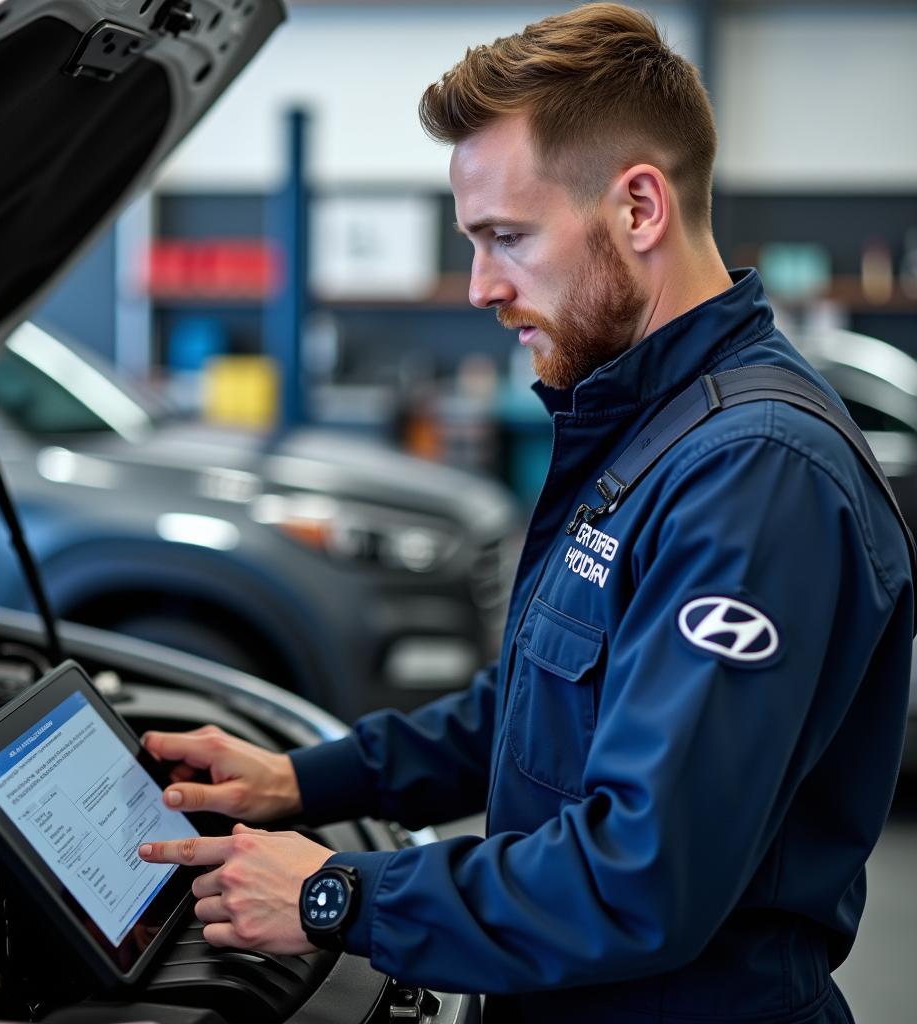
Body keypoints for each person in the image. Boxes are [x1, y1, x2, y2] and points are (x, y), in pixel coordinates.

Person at [137, 5, 914, 1021]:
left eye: (506, 237)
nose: (478, 286)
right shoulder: (647, 423)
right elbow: (535, 710)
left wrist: (335, 893)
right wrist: (300, 778)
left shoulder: (754, 478)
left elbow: (640, 878)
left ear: (638, 209)